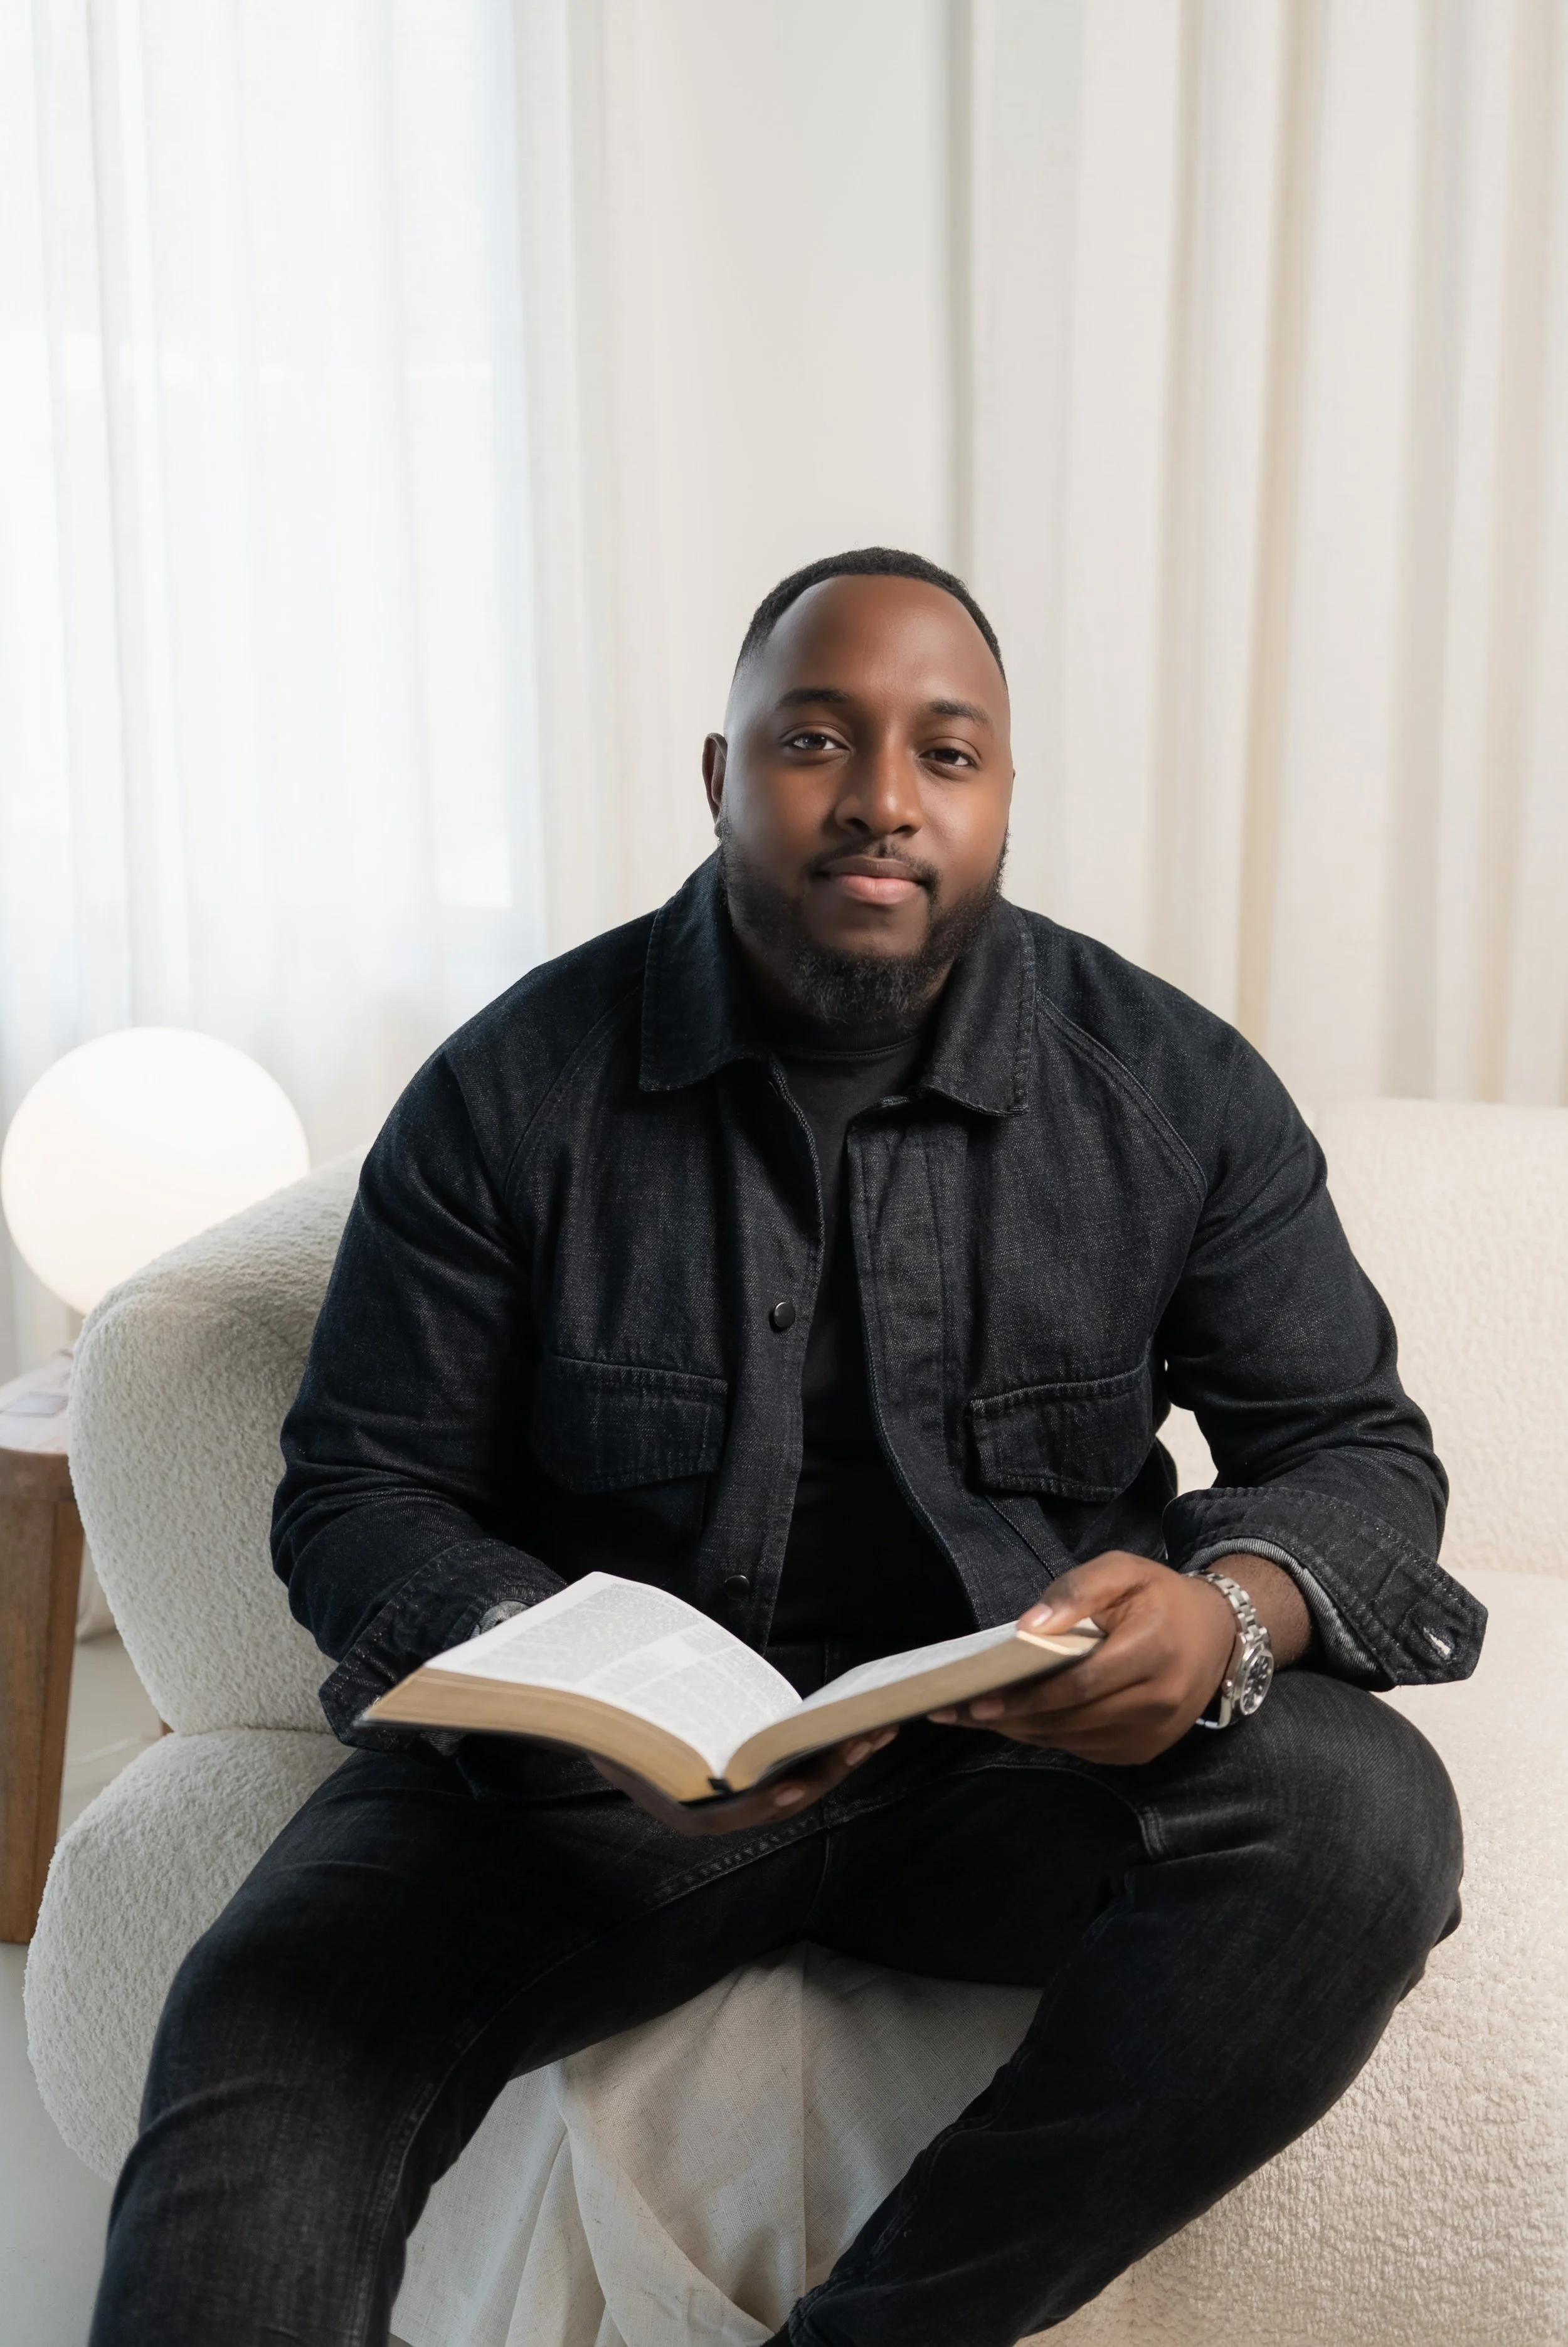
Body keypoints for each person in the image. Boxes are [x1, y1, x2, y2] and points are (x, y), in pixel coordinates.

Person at [89, 548, 1483, 2347]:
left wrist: (1227, 1614)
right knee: (265, 2017)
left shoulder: (1169, 1086)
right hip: (580, 1800)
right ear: (720, 772)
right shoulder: (513, 1088)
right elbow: (363, 1485)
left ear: (1000, 791)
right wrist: (544, 1672)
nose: (883, 798)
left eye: (946, 751)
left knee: (1361, 1823)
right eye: (817, 737)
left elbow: (1356, 1453)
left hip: (1013, 1777)